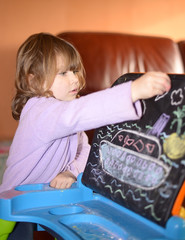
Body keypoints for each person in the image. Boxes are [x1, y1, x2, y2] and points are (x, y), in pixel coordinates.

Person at [0, 32, 171, 239]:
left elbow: (84, 150)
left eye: (74, 71)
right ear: (33, 81)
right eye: (63, 73)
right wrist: (132, 91)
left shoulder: (67, 109)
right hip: (12, 202)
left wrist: (71, 172)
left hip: (45, 199)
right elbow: (79, 113)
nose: (74, 79)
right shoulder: (40, 110)